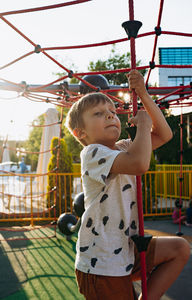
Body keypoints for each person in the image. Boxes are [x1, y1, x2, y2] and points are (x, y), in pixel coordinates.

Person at [65, 70, 190, 300]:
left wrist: (142, 94)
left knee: (180, 249)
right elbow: (139, 164)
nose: (111, 116)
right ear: (80, 132)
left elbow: (164, 134)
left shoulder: (123, 147)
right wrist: (143, 125)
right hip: (101, 260)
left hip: (127, 247)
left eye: (113, 112)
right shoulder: (92, 153)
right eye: (99, 114)